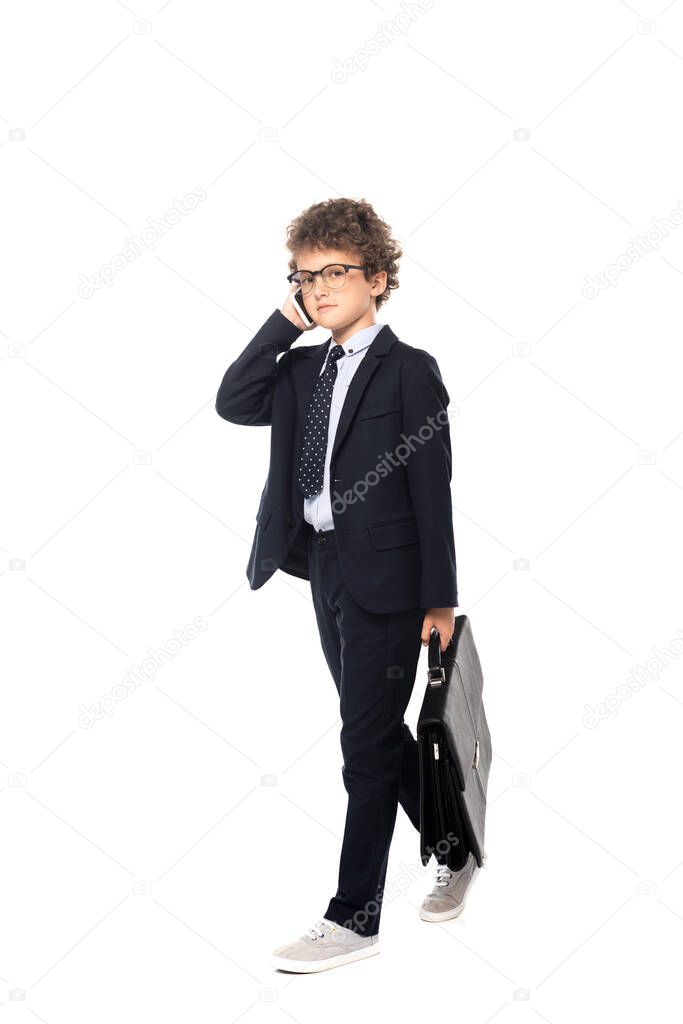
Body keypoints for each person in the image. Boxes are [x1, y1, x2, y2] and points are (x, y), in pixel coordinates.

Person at [215, 197, 479, 973]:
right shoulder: (298, 368)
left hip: (394, 581)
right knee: (374, 731)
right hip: (323, 566)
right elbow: (233, 402)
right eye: (304, 275)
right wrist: (280, 319)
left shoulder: (409, 370)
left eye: (334, 271)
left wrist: (440, 599)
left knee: (360, 746)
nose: (319, 286)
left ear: (378, 278)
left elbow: (434, 490)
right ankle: (454, 847)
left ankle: (354, 915)